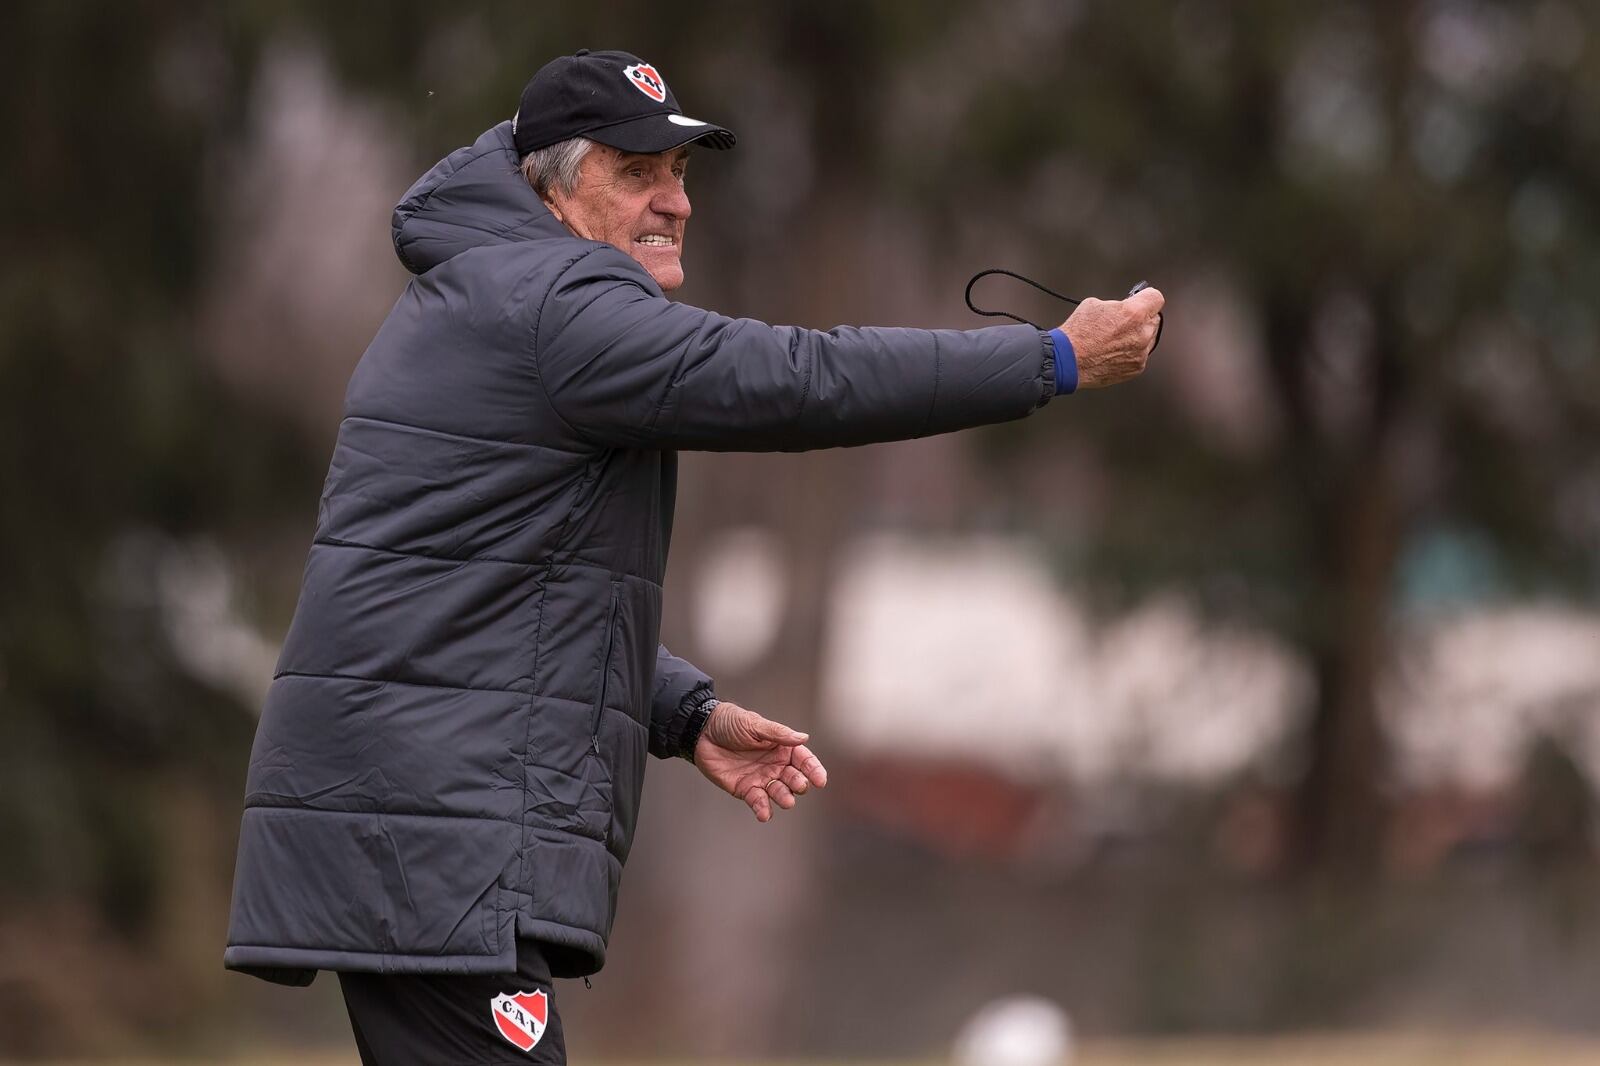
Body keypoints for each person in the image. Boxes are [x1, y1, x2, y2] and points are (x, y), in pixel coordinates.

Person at [224, 48, 1163, 1064]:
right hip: (433, 842)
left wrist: (677, 708)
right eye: (636, 173)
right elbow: (798, 380)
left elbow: (478, 586)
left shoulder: (495, 288)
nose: (674, 202)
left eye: (679, 172)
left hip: (422, 834)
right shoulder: (555, 300)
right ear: (553, 182)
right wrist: (1051, 358)